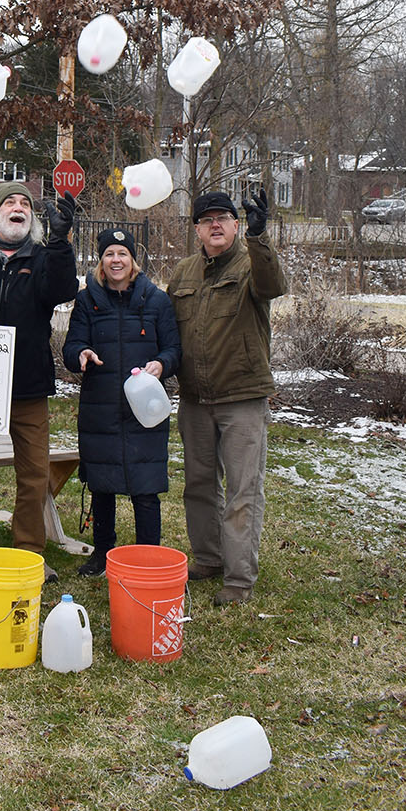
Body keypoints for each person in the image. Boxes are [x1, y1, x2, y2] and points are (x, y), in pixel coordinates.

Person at [167, 188, 287, 606]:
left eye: (224, 218)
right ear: (197, 229)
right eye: (207, 219)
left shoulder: (252, 263)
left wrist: (259, 237)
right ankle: (208, 557)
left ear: (236, 225)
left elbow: (273, 286)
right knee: (199, 484)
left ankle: (238, 579)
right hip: (195, 399)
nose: (215, 225)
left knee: (242, 490)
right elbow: (167, 331)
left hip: (242, 397)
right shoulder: (182, 273)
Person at [0, 183, 80, 574]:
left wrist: (61, 241)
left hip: (28, 383)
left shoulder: (44, 257)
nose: (18, 208)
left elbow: (62, 290)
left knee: (34, 471)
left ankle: (29, 552)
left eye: (25, 203)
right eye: (9, 202)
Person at [61, 228, 181, 577]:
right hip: (101, 406)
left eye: (122, 254)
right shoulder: (87, 301)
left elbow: (174, 348)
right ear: (101, 261)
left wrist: (162, 363)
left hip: (146, 408)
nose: (116, 260)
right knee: (102, 485)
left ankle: (148, 557)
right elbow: (72, 346)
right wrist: (80, 354)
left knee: (146, 487)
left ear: (133, 260)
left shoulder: (156, 300)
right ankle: (102, 553)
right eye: (109, 254)